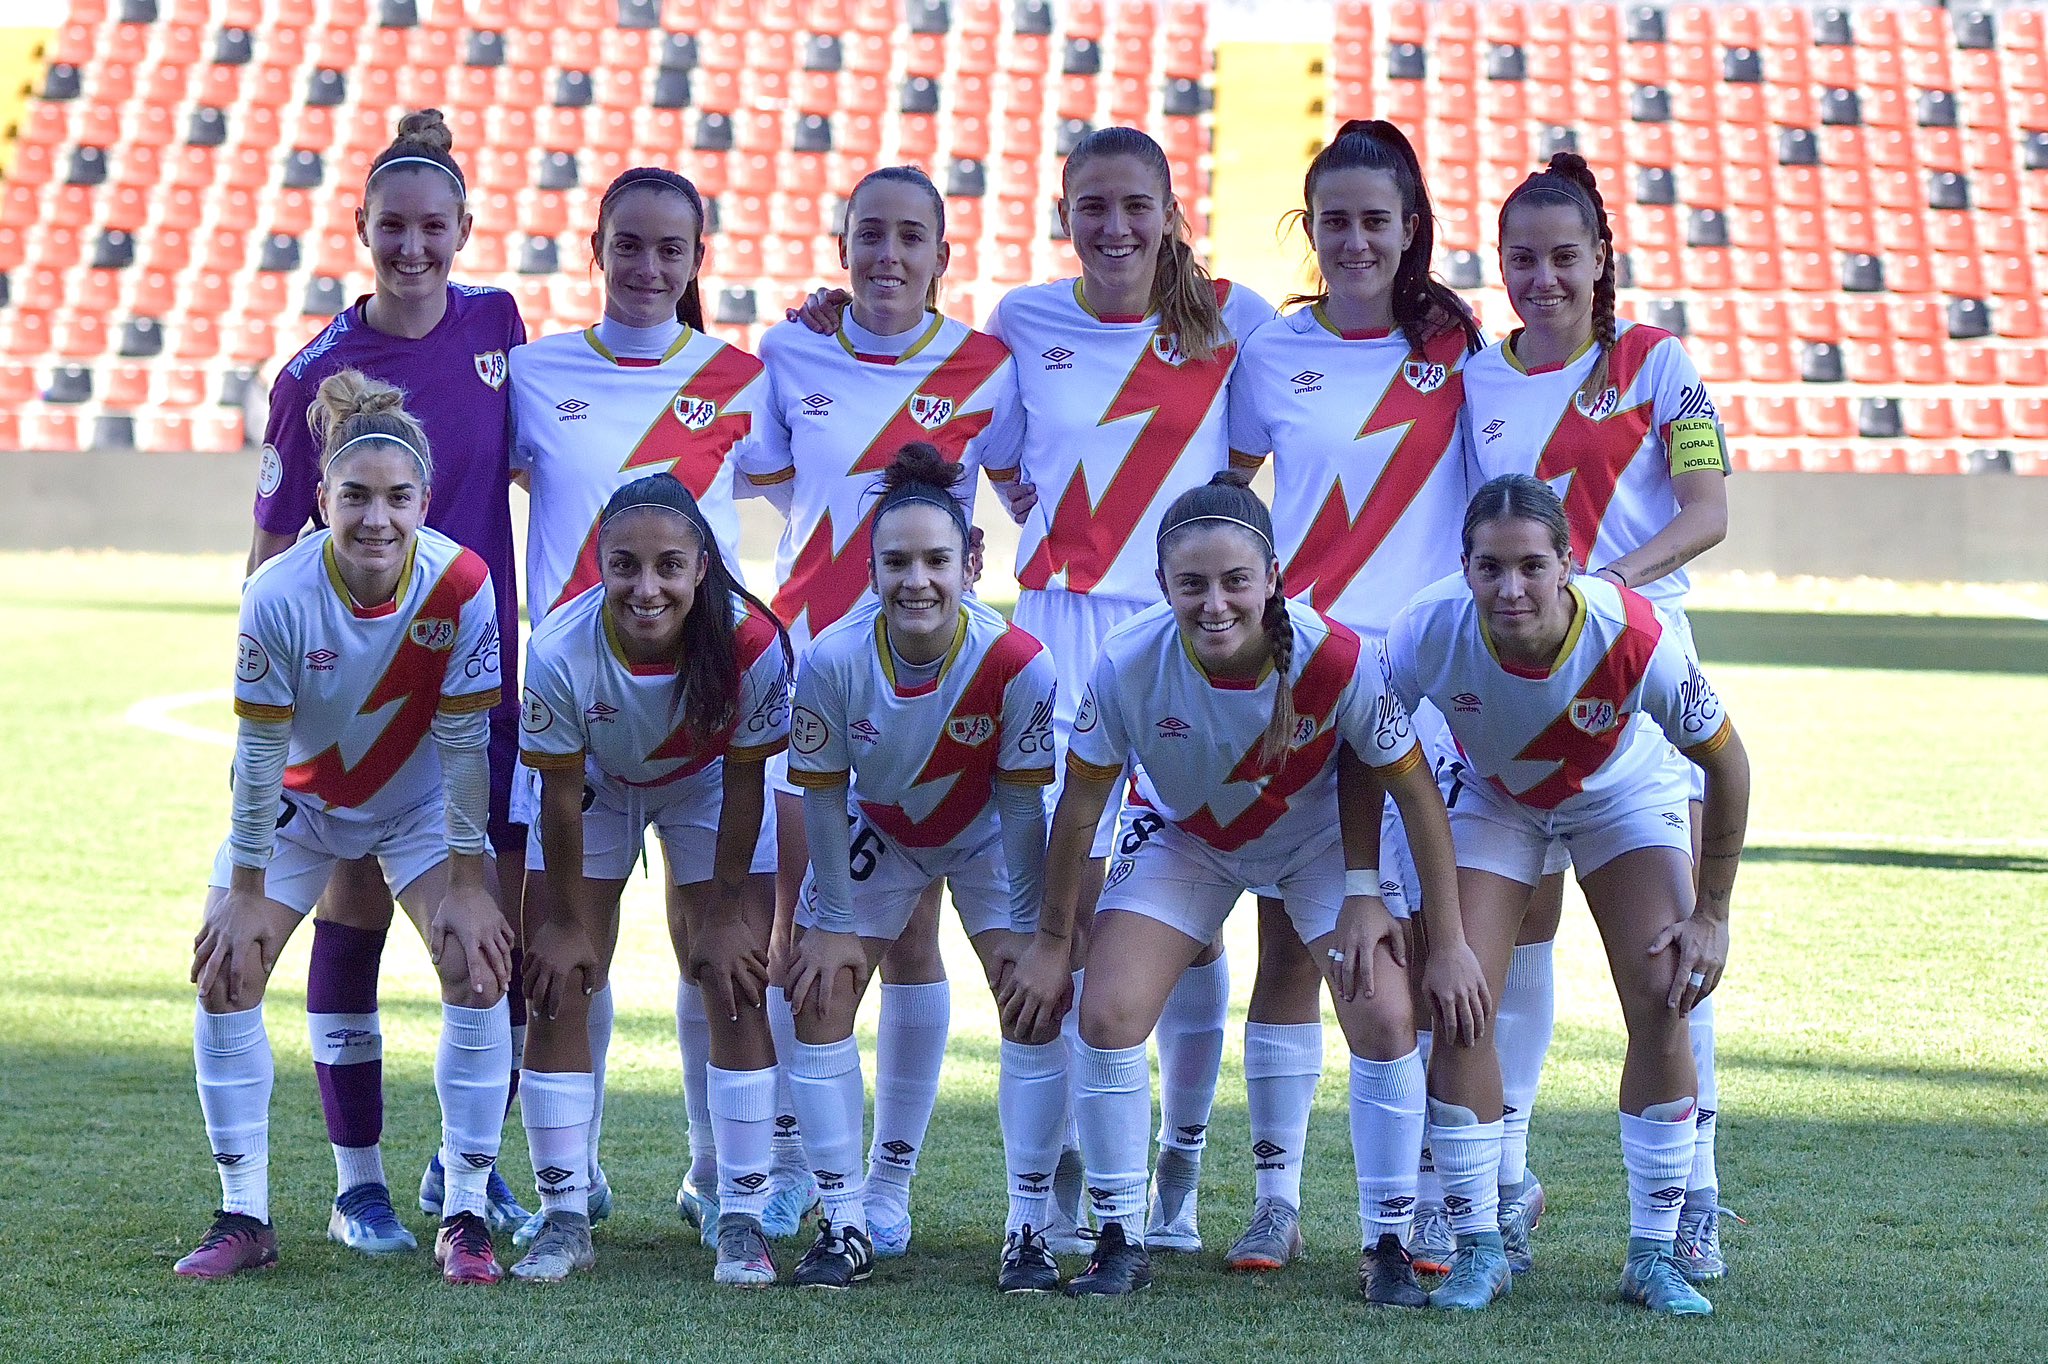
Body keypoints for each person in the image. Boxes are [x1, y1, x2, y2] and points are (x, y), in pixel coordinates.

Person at [1002, 472, 1489, 1302]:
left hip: (1319, 850)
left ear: (1273, 578)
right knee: (1108, 1010)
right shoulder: (1128, 660)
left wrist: (1440, 940)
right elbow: (1081, 808)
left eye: (1236, 582)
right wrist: (1053, 944)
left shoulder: (1340, 659)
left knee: (1384, 1013)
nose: (1215, 604)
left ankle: (1388, 1244)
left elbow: (1415, 797)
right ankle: (1121, 1237)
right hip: (1186, 840)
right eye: (1191, 584)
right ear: (1161, 587)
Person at [247, 108, 529, 1250]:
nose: (413, 247)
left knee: (489, 932)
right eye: (392, 228)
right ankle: (355, 1179)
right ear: (358, 227)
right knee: (352, 915)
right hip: (360, 695)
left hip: (477, 678)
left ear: (465, 228)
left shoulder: (500, 325)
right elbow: (270, 555)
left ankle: (467, 1170)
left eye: (434, 227)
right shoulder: (313, 372)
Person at [738, 165, 1022, 1256]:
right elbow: (774, 479)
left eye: (912, 237)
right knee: (798, 928)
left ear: (944, 255)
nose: (888, 254)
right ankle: (789, 1170)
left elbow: (1029, 482)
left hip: (929, 685)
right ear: (840, 241)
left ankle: (887, 1179)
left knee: (908, 941)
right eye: (869, 234)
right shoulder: (787, 351)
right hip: (809, 668)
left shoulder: (989, 369)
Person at [1461, 152, 1734, 1278]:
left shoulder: (1654, 364)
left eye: (1561, 256)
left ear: (1599, 259)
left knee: (1662, 945)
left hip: (1636, 671)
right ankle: (1503, 1182)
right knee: (1514, 930)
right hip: (1511, 675)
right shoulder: (1475, 379)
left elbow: (1709, 509)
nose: (1539, 277)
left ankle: (1694, 1198)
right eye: (1519, 257)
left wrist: (1605, 590)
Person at [1383, 473, 1748, 1315]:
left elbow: (1729, 765)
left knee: (1664, 994)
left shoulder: (1637, 636)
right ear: (1465, 567)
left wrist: (1712, 915)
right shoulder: (1426, 626)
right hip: (1494, 796)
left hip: (1620, 795)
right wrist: (1368, 885)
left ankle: (1653, 1255)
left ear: (1568, 564)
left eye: (1530, 567)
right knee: (1462, 991)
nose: (1511, 588)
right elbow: (1371, 746)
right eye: (1490, 568)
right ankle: (1480, 1247)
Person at [177, 372, 514, 1284]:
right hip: (301, 807)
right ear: (320, 501)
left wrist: (473, 886)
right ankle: (244, 1211)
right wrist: (245, 892)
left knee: (476, 967)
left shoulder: (463, 584)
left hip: (414, 811)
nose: (377, 518)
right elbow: (256, 757)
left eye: (397, 498)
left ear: (424, 502)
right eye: (355, 497)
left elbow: (462, 745)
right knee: (226, 969)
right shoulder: (278, 594)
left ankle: (468, 1215)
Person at [505, 165, 789, 1246]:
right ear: (595, 246)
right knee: (565, 953)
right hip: (582, 706)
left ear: (697, 258)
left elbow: (820, 476)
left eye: (671, 249)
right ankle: (565, 1197)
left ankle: (724, 1184)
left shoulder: (742, 375)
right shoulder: (533, 372)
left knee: (722, 953)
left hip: (708, 724)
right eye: (628, 244)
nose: (647, 266)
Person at [1222, 118, 1483, 1274]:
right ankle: (1274, 1195)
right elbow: (1221, 493)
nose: (1356, 238)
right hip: (1304, 670)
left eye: (1377, 219)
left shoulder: (1459, 348)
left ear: (1410, 227)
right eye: (1334, 220)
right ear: (1309, 229)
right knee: (1289, 939)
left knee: (1426, 938)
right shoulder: (1270, 352)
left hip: (1427, 676)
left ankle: (1435, 1188)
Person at [781, 446, 1069, 1292]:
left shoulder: (1019, 662)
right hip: (883, 827)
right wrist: (832, 921)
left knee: (1033, 997)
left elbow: (1021, 810)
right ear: (868, 569)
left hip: (985, 834)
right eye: (896, 563)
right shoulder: (832, 661)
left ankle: (1029, 1227)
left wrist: (1023, 933)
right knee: (819, 990)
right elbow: (826, 801)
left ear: (969, 562)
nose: (917, 581)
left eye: (936, 561)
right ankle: (844, 1221)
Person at [510, 474, 791, 1285]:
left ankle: (738, 1211)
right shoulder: (560, 650)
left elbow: (746, 783)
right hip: (597, 784)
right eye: (625, 566)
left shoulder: (752, 643)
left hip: (708, 782)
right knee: (557, 980)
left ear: (703, 567)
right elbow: (560, 797)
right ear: (599, 566)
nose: (647, 587)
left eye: (669, 565)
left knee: (734, 973)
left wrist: (730, 913)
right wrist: (563, 921)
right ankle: (565, 1212)